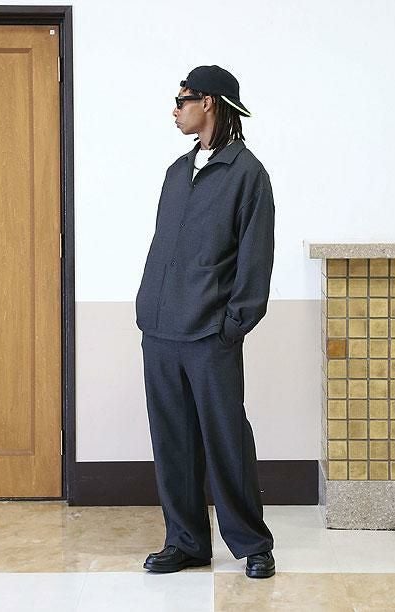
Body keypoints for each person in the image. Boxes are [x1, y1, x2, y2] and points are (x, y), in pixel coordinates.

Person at [135, 65, 275, 579]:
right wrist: (147, 307)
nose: (175, 110)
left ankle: (252, 544)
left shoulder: (247, 174)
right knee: (172, 440)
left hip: (210, 333)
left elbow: (255, 257)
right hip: (160, 329)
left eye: (182, 100)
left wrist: (233, 325)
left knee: (226, 440)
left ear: (208, 103)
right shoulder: (177, 171)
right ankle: (186, 542)